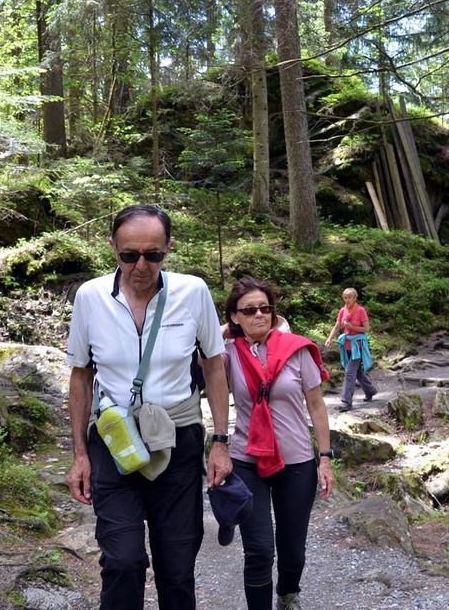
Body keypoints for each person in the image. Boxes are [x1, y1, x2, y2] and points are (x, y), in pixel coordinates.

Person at [65, 204, 233, 610]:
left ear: (168, 248)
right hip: (114, 440)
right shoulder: (90, 297)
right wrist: (80, 455)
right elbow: (81, 376)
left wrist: (221, 441)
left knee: (176, 566)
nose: (141, 265)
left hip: (177, 441)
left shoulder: (192, 293)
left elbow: (213, 367)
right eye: (129, 255)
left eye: (153, 255)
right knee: (123, 560)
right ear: (113, 248)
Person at [223, 277, 335, 610]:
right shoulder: (227, 354)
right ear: (235, 316)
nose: (259, 314)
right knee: (258, 549)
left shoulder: (296, 349)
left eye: (266, 308)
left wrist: (325, 458)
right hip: (246, 459)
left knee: (293, 549)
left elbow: (316, 406)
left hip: (296, 460)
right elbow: (200, 358)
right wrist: (225, 331)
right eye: (250, 310)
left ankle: (288, 595)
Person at [324, 287, 377, 412]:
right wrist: (329, 338)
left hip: (357, 346)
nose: (347, 300)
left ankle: (346, 402)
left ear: (355, 298)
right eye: (345, 297)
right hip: (346, 346)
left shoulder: (360, 310)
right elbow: (337, 326)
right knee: (357, 372)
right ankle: (370, 391)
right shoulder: (342, 311)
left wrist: (352, 326)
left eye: (350, 297)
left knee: (349, 372)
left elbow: (366, 329)